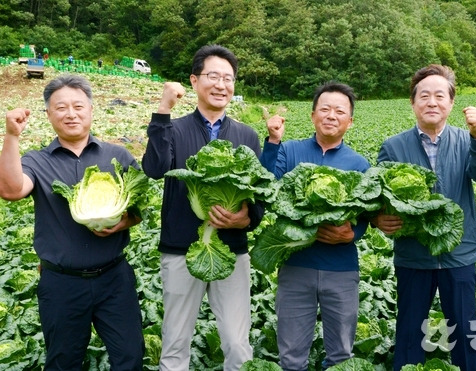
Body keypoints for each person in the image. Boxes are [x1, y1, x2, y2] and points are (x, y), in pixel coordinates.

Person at [0, 74, 145, 370]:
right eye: (61, 107)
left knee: (129, 357)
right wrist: (12, 136)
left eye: (78, 106)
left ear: (91, 110)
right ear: (49, 114)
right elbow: (11, 190)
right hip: (61, 283)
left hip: (114, 279)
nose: (71, 114)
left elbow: (141, 207)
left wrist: (125, 221)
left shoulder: (118, 155)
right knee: (63, 362)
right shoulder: (36, 160)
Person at [142, 44, 262, 371]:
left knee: (238, 344)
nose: (221, 84)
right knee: (176, 341)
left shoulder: (247, 136)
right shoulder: (174, 128)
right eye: (213, 76)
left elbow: (260, 193)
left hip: (232, 250)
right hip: (181, 248)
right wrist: (163, 111)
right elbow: (154, 168)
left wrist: (245, 218)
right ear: (194, 81)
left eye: (228, 78)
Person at [371, 64, 476, 371]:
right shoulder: (393, 146)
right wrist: (377, 218)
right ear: (412, 103)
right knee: (411, 331)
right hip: (414, 255)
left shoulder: (466, 140)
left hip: (459, 254)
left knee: (466, 331)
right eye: (424, 95)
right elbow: (378, 195)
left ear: (451, 103)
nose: (432, 102)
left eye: (440, 96)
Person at [260, 82, 369, 371]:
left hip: (342, 269)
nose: (331, 115)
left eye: (339, 111)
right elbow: (266, 186)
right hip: (296, 264)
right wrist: (272, 142)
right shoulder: (290, 151)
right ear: (312, 116)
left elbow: (366, 215)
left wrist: (351, 233)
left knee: (341, 355)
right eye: (325, 109)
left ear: (350, 121)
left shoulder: (360, 165)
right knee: (292, 356)